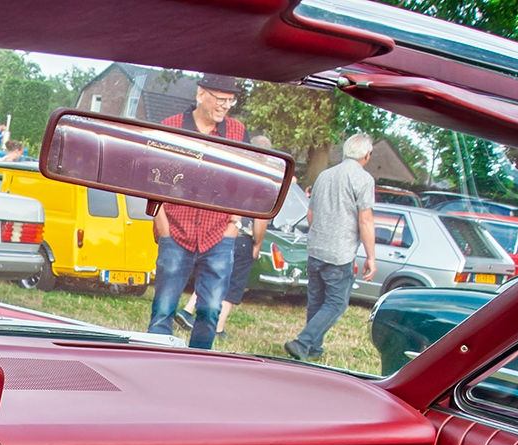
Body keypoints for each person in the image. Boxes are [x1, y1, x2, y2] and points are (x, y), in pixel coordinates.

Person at [145, 74, 247, 351]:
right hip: (176, 231)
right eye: (221, 99)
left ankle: (199, 365)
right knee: (163, 308)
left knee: (210, 310)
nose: (226, 106)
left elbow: (244, 182)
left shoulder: (237, 132)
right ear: (201, 94)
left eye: (231, 100)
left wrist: (234, 223)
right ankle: (155, 362)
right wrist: (163, 226)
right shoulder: (171, 128)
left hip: (219, 235)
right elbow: (152, 181)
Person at [284, 132, 376, 361]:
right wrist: (371, 257)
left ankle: (314, 348)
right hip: (340, 252)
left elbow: (310, 214)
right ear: (367, 155)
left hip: (316, 249)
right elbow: (365, 220)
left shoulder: (324, 175)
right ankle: (303, 342)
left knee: (316, 301)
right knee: (336, 303)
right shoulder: (364, 180)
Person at [179, 134, 273, 339]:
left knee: (212, 275)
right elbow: (260, 219)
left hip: (220, 231)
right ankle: (218, 329)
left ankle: (187, 310)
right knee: (232, 285)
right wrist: (257, 243)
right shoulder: (263, 181)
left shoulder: (233, 171)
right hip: (242, 237)